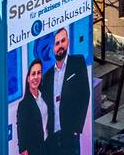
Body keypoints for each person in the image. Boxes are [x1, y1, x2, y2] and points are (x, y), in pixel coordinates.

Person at [47, 25, 92, 154]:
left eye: (63, 41)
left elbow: (85, 94)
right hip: (52, 137)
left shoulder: (77, 62)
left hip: (70, 133)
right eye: (57, 43)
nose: (60, 45)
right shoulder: (48, 75)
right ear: (52, 48)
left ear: (68, 41)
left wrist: (77, 128)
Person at [14, 57, 53, 155]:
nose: (36, 77)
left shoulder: (46, 94)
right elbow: (21, 132)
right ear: (28, 78)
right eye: (33, 74)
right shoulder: (24, 105)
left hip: (50, 144)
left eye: (39, 73)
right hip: (35, 150)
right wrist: (24, 151)